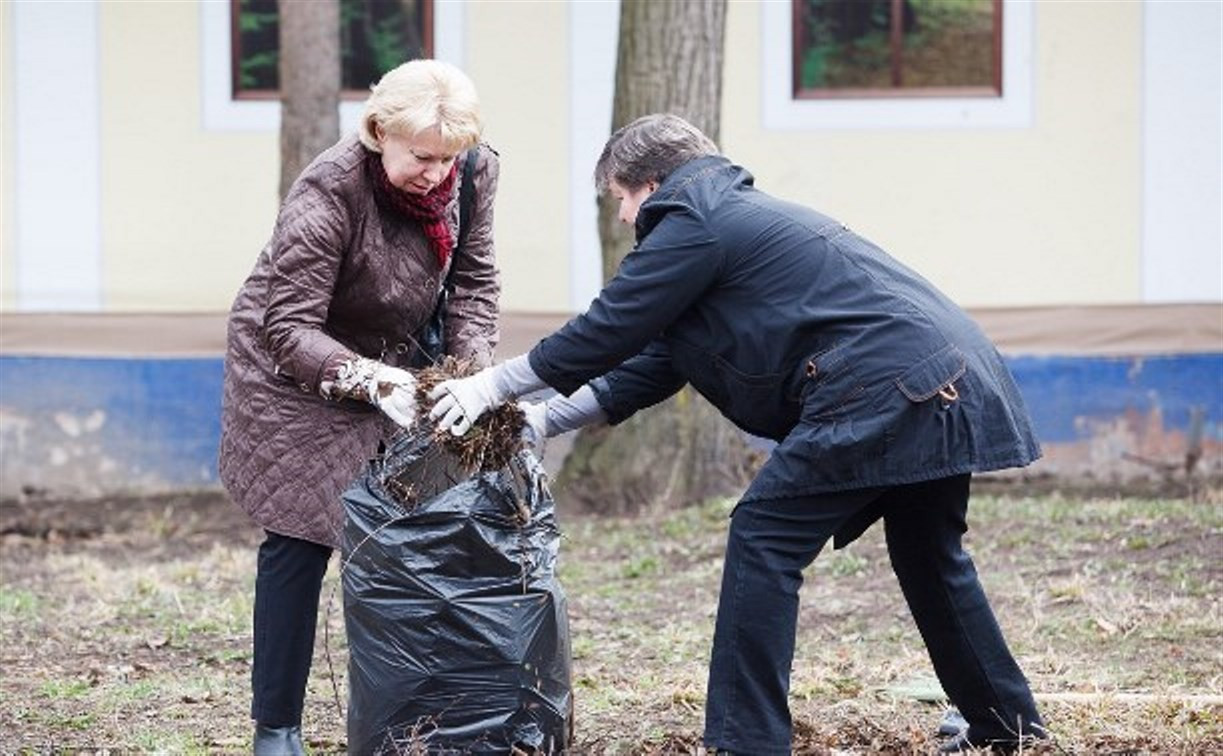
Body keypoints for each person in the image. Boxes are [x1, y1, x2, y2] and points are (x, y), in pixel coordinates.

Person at [429, 114, 1046, 754]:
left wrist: (490, 387)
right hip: (941, 374)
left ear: (653, 182)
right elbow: (656, 360)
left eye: (619, 198)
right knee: (929, 556)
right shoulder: (730, 222)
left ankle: (745, 743)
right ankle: (1006, 725)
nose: (620, 219)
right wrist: (542, 418)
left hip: (884, 387)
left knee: (764, 537)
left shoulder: (695, 219)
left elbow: (607, 327)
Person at [217, 59, 500, 755]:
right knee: (300, 536)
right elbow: (287, 327)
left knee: (424, 528)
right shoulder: (328, 191)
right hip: (294, 366)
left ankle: (419, 718)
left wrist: (469, 375)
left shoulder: (473, 170)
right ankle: (276, 728)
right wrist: (370, 380)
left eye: (448, 159)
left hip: (401, 355)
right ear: (379, 132)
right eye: (421, 157)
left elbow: (474, 279)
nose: (437, 174)